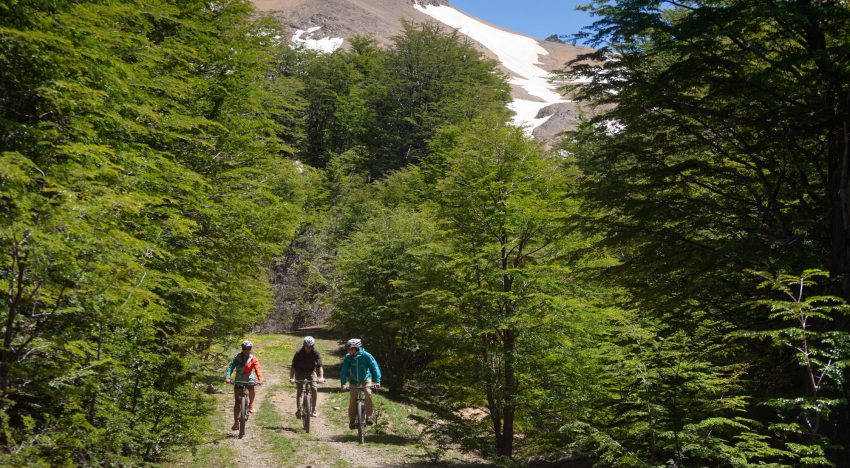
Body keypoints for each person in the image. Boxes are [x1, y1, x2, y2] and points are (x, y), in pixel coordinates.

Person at [339, 338, 381, 429]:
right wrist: (343, 383)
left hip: (366, 379)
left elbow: (374, 368)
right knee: (353, 398)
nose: (348, 350)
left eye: (349, 348)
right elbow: (344, 370)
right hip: (353, 380)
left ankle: (368, 417)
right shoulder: (348, 357)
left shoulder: (367, 356)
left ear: (356, 348)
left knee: (368, 393)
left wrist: (377, 381)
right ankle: (352, 420)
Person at [225, 340, 263, 431]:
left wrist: (260, 379)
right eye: (245, 349)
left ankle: (251, 404)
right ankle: (235, 422)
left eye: (249, 349)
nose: (247, 350)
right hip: (238, 379)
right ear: (242, 349)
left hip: (249, 378)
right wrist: (227, 377)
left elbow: (257, 369)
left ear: (250, 349)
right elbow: (230, 367)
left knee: (252, 387)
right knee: (236, 403)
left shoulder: (253, 358)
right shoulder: (237, 357)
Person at [289, 335, 325, 418]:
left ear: (313, 346)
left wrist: (321, 377)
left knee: (314, 389)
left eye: (310, 346)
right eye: (307, 346)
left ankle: (313, 409)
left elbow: (320, 366)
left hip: (311, 371)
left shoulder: (316, 352)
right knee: (299, 390)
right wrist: (292, 378)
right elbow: (293, 366)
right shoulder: (298, 353)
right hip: (300, 371)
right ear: (304, 345)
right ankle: (298, 409)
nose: (309, 348)